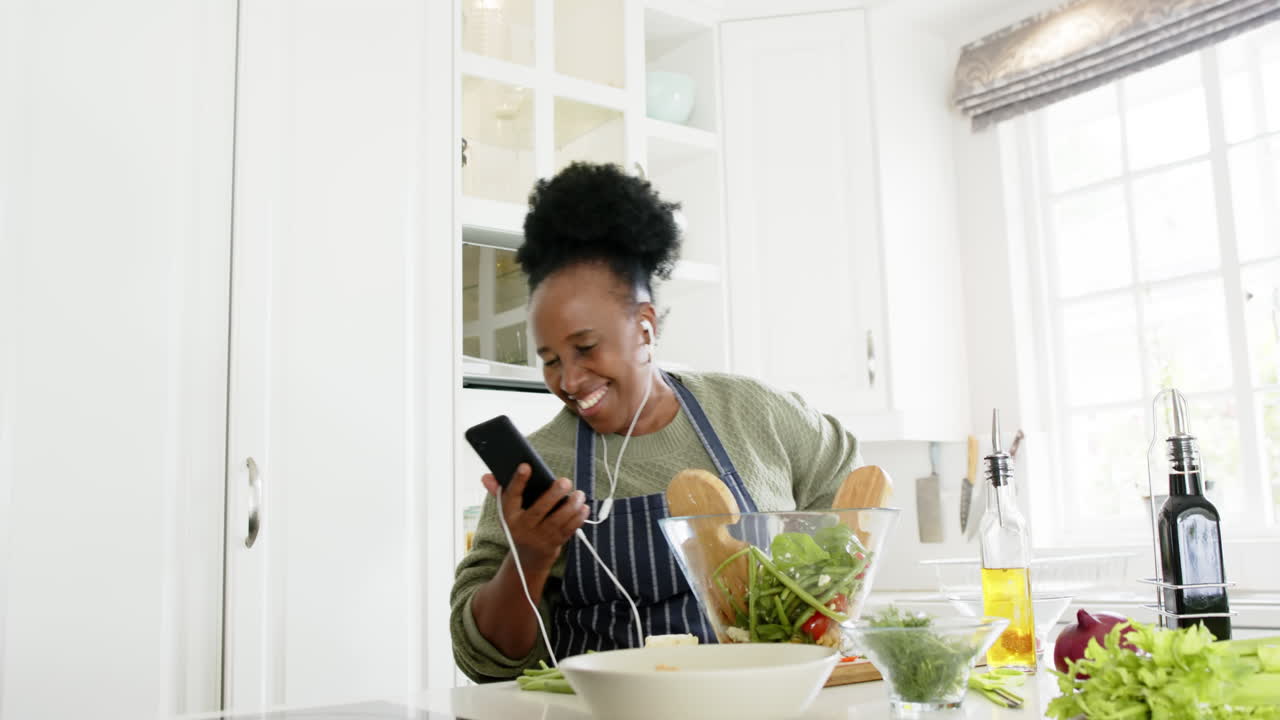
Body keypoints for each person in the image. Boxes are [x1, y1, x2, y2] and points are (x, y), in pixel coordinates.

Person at [450, 162, 864, 682]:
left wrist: (813, 604)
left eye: (585, 348)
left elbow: (851, 498)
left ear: (644, 329)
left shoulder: (755, 413)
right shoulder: (540, 471)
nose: (570, 379)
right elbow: (484, 661)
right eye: (551, 359)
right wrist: (529, 558)